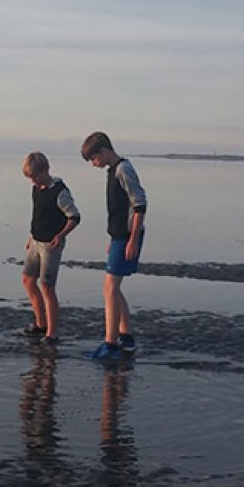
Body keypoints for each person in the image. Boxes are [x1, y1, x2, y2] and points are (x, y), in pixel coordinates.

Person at [81, 132, 146, 360]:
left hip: (128, 236)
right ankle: (126, 337)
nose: (93, 164)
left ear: (103, 151)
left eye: (93, 159)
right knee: (114, 288)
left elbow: (140, 205)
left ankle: (110, 344)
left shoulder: (122, 169)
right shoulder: (113, 171)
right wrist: (114, 239)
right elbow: (119, 210)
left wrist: (132, 239)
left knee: (109, 288)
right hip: (119, 236)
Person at [20, 151, 80, 344]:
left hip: (50, 245)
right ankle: (40, 324)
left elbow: (74, 217)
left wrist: (61, 235)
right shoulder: (37, 189)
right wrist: (31, 236)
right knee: (28, 280)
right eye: (30, 178)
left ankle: (51, 334)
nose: (33, 182)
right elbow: (38, 214)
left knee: (47, 287)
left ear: (45, 170)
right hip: (36, 241)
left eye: (35, 177)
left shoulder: (59, 191)